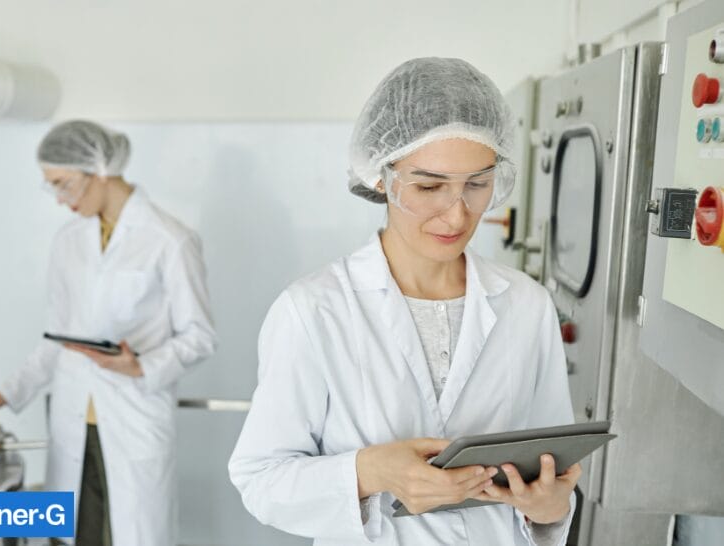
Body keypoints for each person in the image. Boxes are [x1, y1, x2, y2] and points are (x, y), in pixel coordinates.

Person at [228, 58, 578, 545]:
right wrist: (371, 471)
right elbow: (261, 481)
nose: (456, 213)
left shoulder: (526, 304)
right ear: (381, 176)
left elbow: (553, 469)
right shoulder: (314, 310)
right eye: (430, 186)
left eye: (477, 185)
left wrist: (552, 507)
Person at [0, 120, 217, 546]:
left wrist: (140, 365)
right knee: (75, 535)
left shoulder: (170, 240)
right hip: (73, 418)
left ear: (98, 169)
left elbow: (200, 336)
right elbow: (57, 338)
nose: (62, 201)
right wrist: (8, 392)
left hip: (133, 415)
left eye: (64, 185)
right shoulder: (68, 241)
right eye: (53, 188)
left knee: (132, 533)